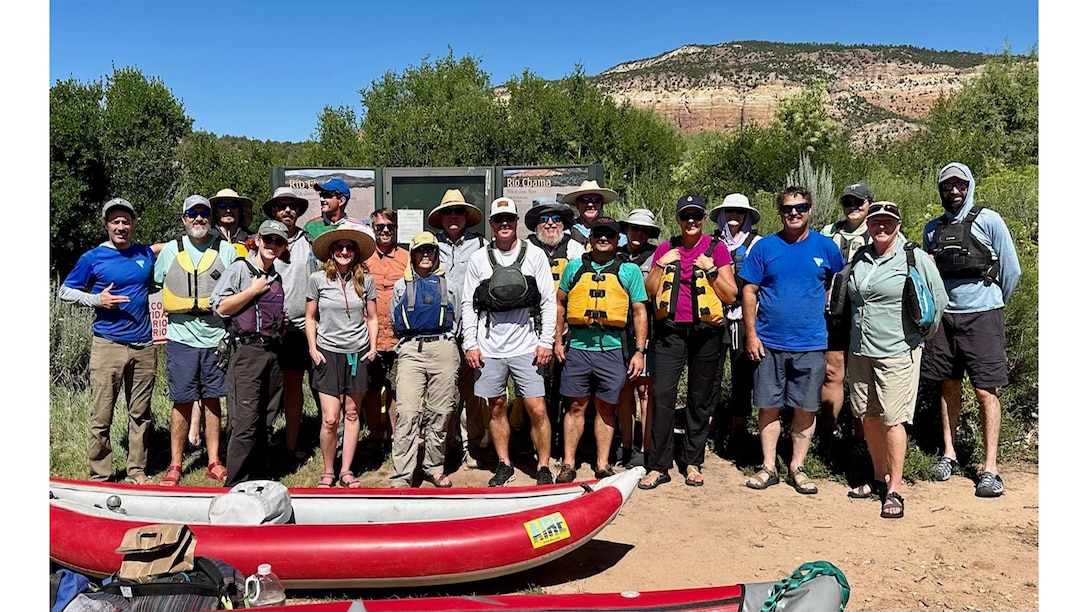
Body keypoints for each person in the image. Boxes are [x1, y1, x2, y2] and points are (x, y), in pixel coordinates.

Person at [922, 162, 1021, 498]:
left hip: (983, 316)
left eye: (959, 185)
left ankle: (990, 467)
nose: (954, 192)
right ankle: (949, 454)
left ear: (969, 186)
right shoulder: (932, 229)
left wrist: (992, 302)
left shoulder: (989, 220)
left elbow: (1012, 270)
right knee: (949, 386)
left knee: (984, 391)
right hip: (945, 319)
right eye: (947, 186)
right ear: (940, 190)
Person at [845, 202, 948, 518]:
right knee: (869, 416)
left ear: (898, 224)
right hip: (861, 350)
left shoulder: (912, 257)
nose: (881, 227)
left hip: (897, 351)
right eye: (876, 221)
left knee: (893, 419)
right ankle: (878, 477)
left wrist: (918, 339)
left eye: (887, 222)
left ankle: (896, 489)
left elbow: (939, 299)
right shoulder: (862, 256)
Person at [739, 186, 845, 495]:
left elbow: (836, 286)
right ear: (780, 212)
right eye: (787, 208)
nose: (794, 213)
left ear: (811, 209)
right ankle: (768, 466)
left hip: (811, 343)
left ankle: (797, 466)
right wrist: (751, 334)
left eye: (800, 207)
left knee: (805, 408)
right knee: (769, 406)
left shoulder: (826, 248)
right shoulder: (764, 248)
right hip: (769, 341)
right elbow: (749, 291)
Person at [639, 195, 737, 490]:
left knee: (699, 399)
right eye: (685, 216)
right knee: (664, 397)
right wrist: (660, 266)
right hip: (670, 334)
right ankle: (658, 465)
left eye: (696, 216)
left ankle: (693, 460)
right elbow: (648, 291)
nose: (691, 221)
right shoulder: (666, 248)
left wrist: (710, 270)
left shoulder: (716, 250)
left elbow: (731, 295)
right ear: (678, 219)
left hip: (706, 334)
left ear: (704, 219)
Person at [460, 197, 557, 486]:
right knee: (497, 406)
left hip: (527, 345)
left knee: (537, 408)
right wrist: (471, 344)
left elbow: (548, 301)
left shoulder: (535, 255)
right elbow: (468, 304)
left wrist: (546, 341)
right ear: (491, 224)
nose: (504, 224)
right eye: (499, 220)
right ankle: (504, 464)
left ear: (516, 222)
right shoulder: (478, 259)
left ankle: (543, 466)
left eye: (510, 219)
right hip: (490, 348)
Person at [59, 197, 157, 484]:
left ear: (133, 224)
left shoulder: (143, 253)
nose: (121, 226)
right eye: (115, 221)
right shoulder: (93, 258)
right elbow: (65, 291)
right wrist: (96, 299)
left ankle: (136, 471)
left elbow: (158, 250)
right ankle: (100, 475)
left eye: (126, 221)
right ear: (106, 225)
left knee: (140, 414)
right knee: (102, 415)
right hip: (107, 345)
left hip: (143, 344)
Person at [554, 217, 648, 482]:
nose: (603, 238)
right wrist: (558, 341)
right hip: (578, 348)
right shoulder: (575, 268)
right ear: (591, 237)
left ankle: (603, 464)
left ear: (618, 239)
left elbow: (640, 312)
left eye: (609, 234)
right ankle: (569, 464)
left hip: (613, 349)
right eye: (598, 234)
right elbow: (560, 304)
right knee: (575, 406)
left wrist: (639, 351)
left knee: (607, 407)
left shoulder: (629, 271)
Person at [151, 195, 237, 486]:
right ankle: (176, 464)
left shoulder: (226, 251)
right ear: (184, 218)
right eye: (193, 213)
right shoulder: (170, 252)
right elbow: (154, 284)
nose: (198, 219)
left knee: (213, 400)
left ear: (210, 218)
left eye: (203, 213)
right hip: (181, 339)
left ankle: (214, 460)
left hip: (217, 339)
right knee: (182, 401)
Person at [210, 220, 291, 487]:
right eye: (268, 240)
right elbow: (220, 307)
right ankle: (235, 483)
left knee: (267, 419)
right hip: (246, 353)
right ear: (257, 241)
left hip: (273, 352)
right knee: (245, 421)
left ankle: (259, 479)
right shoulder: (240, 270)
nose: (272, 245)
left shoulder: (277, 278)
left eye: (278, 242)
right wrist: (252, 291)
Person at [305, 224, 379, 488]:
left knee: (351, 412)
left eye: (349, 248)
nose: (344, 251)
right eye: (339, 247)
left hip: (357, 352)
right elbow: (310, 317)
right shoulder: (317, 279)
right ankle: (328, 470)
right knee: (330, 417)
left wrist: (372, 346)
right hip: (327, 352)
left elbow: (372, 317)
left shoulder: (366, 281)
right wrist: (313, 348)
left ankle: (346, 470)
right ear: (331, 252)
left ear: (356, 253)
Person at [388, 231, 459, 488]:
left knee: (441, 412)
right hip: (410, 350)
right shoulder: (400, 286)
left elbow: (457, 319)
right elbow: (394, 320)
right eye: (420, 251)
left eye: (430, 250)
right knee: (407, 413)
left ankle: (433, 466)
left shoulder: (450, 285)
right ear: (413, 255)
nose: (425, 255)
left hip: (443, 348)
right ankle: (403, 475)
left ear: (437, 254)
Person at [429, 188, 489, 469]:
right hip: (440, 329)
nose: (453, 216)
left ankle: (472, 445)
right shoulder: (429, 246)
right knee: (441, 391)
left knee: (472, 390)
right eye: (448, 212)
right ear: (440, 218)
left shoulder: (481, 245)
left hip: (472, 328)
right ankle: (446, 442)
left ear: (466, 216)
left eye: (459, 211)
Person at [262, 186, 318, 463]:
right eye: (282, 206)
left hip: (300, 327)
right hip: (267, 329)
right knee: (266, 389)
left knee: (295, 386)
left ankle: (291, 444)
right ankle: (263, 441)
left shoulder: (309, 243)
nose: (287, 211)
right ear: (273, 210)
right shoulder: (261, 242)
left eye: (292, 206)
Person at [522, 197, 584, 449]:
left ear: (563, 224)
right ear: (536, 224)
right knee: (531, 385)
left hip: (565, 326)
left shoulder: (575, 249)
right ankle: (529, 440)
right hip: (529, 324)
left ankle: (557, 439)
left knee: (562, 383)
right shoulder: (525, 247)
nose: (549, 224)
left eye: (555, 219)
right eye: (544, 220)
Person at [707, 194, 763, 455]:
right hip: (714, 316)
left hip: (744, 317)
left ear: (747, 217)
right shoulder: (709, 243)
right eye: (729, 211)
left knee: (743, 375)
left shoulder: (757, 244)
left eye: (740, 213)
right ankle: (709, 426)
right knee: (710, 373)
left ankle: (738, 431)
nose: (734, 216)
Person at [819, 182, 874, 441]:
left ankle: (861, 440)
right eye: (847, 202)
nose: (852, 207)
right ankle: (826, 436)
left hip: (867, 314)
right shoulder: (829, 232)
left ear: (869, 205)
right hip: (834, 313)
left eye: (858, 202)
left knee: (862, 376)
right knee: (833, 372)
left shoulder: (879, 230)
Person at [615, 208, 661, 467]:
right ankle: (626, 444)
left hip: (648, 329)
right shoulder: (614, 254)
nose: (638, 233)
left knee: (645, 390)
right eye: (634, 228)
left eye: (644, 230)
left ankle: (645, 448)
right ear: (627, 230)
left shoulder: (657, 257)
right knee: (624, 390)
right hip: (619, 331)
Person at [363, 208, 409, 461]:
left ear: (396, 228)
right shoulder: (364, 258)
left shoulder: (406, 258)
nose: (385, 231)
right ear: (373, 229)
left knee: (395, 390)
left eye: (389, 226)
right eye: (379, 227)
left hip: (398, 337)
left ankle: (394, 436)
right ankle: (374, 435)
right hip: (370, 337)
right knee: (372, 389)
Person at [560, 180, 627, 247]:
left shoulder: (614, 232)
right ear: (577, 205)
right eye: (584, 200)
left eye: (596, 200)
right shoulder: (566, 232)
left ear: (601, 204)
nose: (590, 204)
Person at [303, 178, 371, 239]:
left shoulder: (359, 228)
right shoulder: (311, 227)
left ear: (341, 201)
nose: (321, 199)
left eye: (327, 195)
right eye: (321, 195)